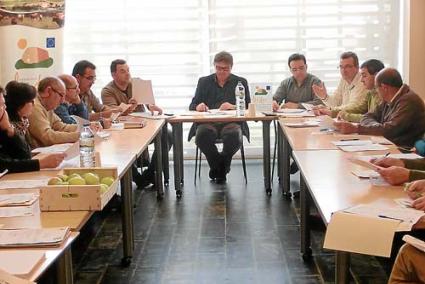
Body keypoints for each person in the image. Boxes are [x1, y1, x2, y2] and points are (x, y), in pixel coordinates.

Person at [102, 59, 172, 188]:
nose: (127, 74)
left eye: (128, 70)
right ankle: (138, 178)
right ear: (113, 75)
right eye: (122, 71)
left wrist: (152, 106)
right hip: (123, 131)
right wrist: (129, 107)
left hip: (143, 127)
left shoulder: (137, 83)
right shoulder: (107, 91)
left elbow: (149, 102)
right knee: (117, 145)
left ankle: (150, 173)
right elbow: (112, 114)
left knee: (167, 134)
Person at [188, 51, 251, 183]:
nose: (221, 72)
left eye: (225, 69)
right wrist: (198, 106)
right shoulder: (204, 81)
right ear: (214, 66)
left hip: (232, 122)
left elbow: (248, 106)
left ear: (231, 67)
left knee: (234, 135)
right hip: (208, 122)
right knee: (202, 136)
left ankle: (218, 168)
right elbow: (192, 105)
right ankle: (221, 166)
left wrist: (233, 106)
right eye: (218, 68)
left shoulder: (241, 82)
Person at [333, 68, 425, 148]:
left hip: (404, 150)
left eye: (376, 88)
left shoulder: (408, 101)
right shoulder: (388, 99)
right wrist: (378, 127)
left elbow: (390, 130)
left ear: (384, 88)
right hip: (389, 145)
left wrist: (356, 128)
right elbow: (367, 117)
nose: (376, 91)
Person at [0, 84, 65, 173]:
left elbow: (25, 156)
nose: (4, 108)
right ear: (19, 103)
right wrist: (41, 163)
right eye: (1, 105)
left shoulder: (13, 124)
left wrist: (10, 130)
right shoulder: (7, 124)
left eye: (4, 104)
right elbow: (4, 165)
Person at [27, 77, 80, 148]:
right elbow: (48, 137)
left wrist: (86, 128)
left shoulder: (47, 105)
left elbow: (61, 127)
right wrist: (81, 135)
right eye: (61, 95)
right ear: (48, 91)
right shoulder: (34, 106)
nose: (62, 101)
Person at [313, 51, 367, 117]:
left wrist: (329, 109)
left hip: (355, 121)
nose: (343, 70)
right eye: (341, 67)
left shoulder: (363, 81)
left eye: (348, 66)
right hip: (343, 119)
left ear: (357, 67)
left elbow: (353, 106)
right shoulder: (343, 80)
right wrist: (324, 97)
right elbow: (335, 103)